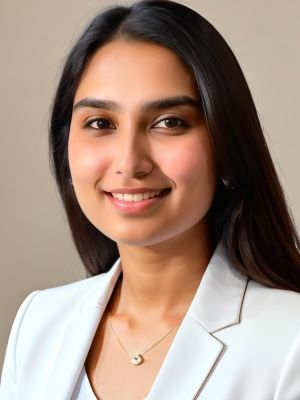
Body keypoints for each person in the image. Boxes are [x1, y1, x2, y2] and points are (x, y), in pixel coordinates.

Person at [1, 0, 300, 399]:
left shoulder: (290, 341)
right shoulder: (39, 322)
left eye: (169, 122)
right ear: (65, 148)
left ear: (227, 145)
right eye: (100, 123)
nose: (130, 162)